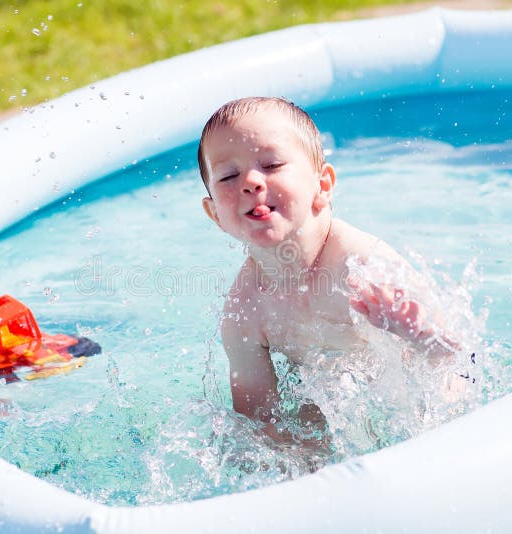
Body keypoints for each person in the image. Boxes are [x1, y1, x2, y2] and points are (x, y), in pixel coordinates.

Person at [198, 96, 466, 446]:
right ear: (216, 215)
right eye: (229, 176)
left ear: (322, 186)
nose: (250, 182)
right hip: (328, 404)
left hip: (408, 404)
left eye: (272, 164)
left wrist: (416, 334)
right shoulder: (243, 311)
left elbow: (458, 365)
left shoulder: (364, 265)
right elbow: (258, 422)